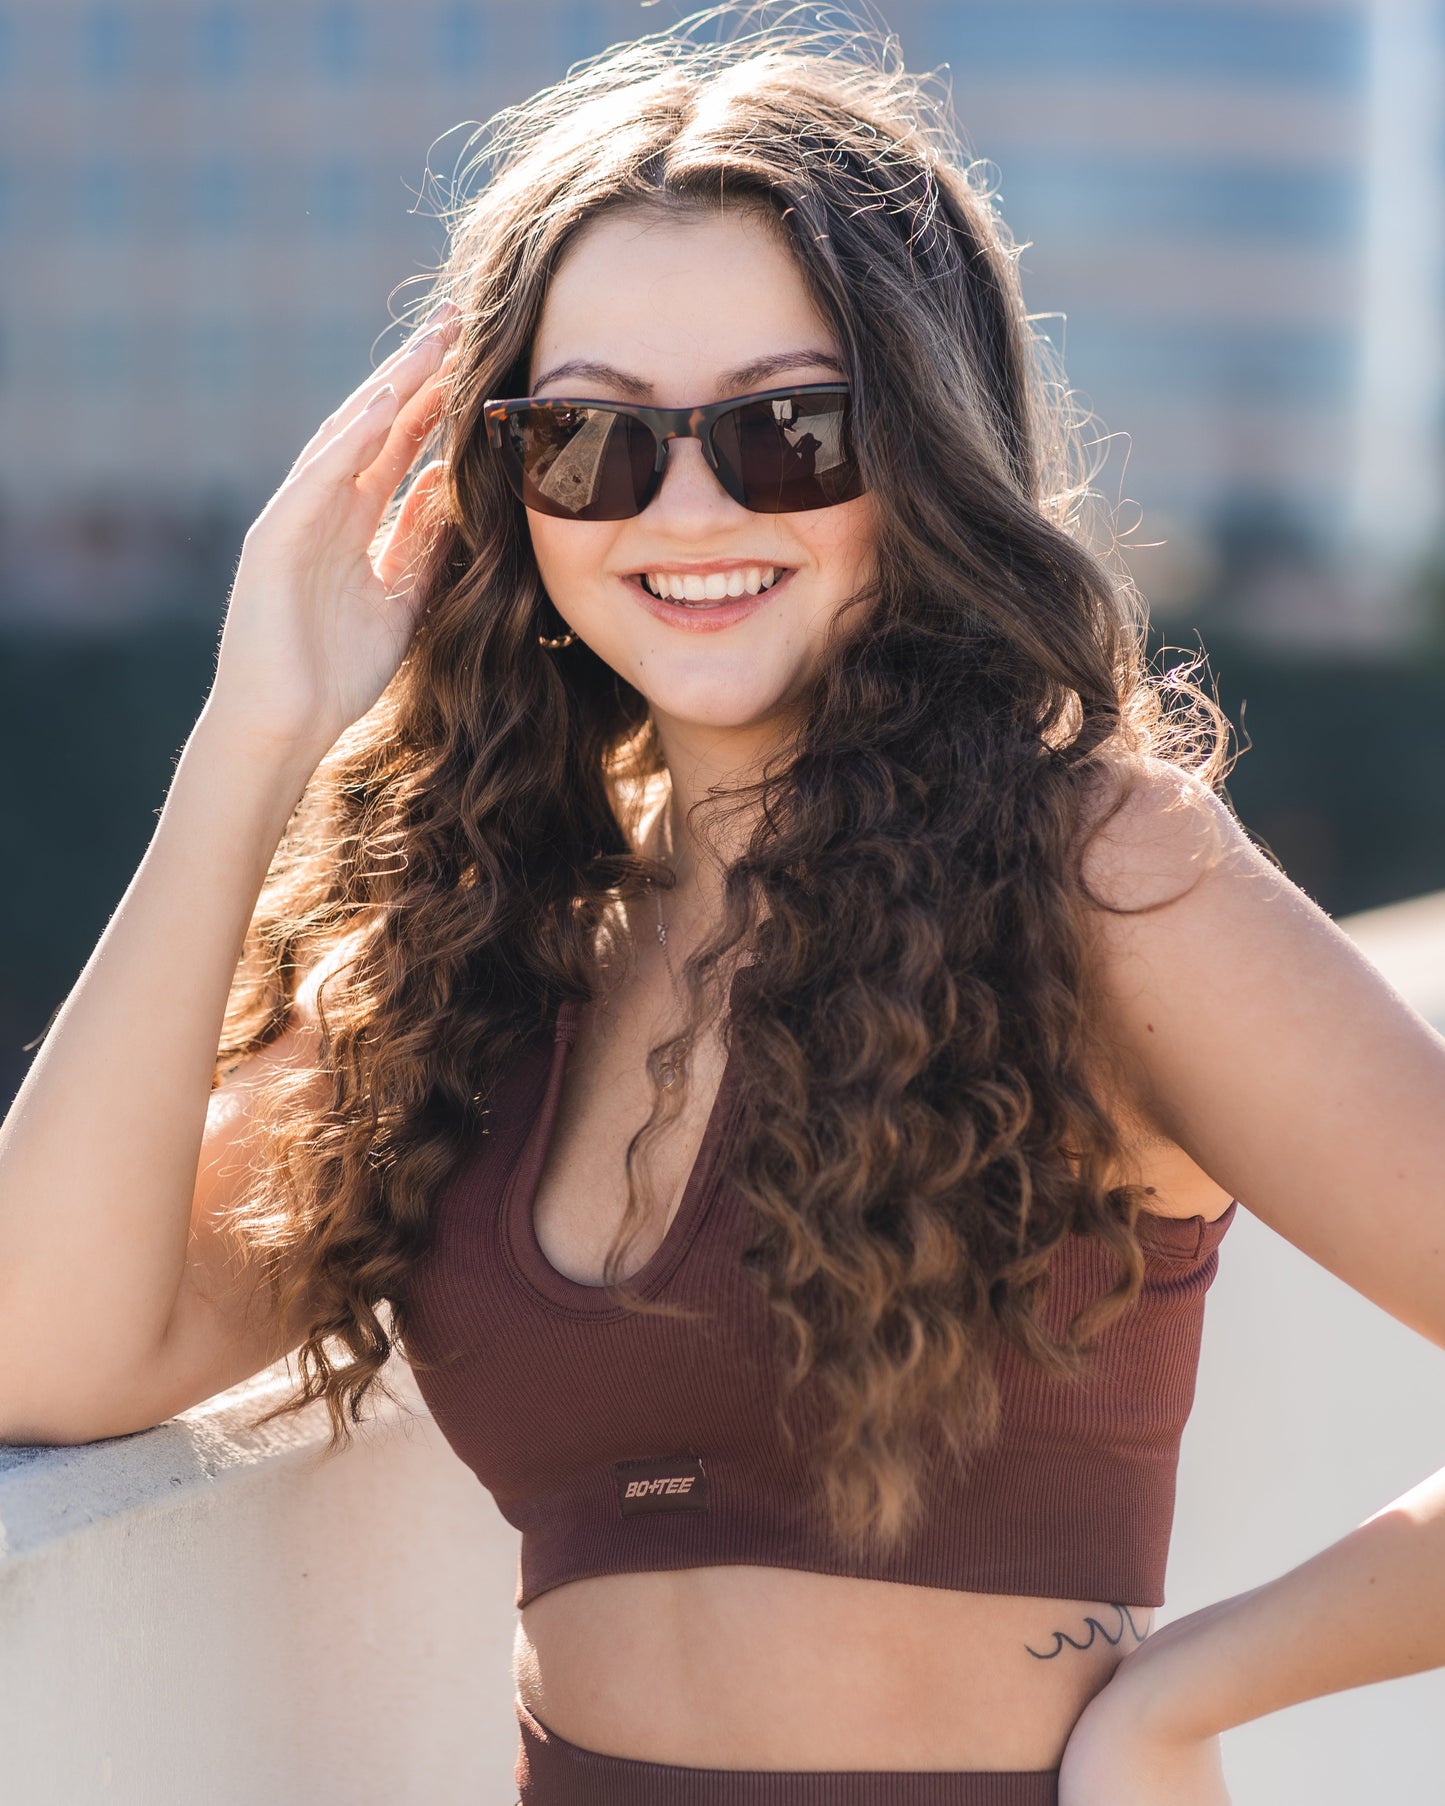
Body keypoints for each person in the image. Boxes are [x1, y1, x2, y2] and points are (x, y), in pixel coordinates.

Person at [2, 9, 1443, 1804]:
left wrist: (1182, 1695)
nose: (683, 507)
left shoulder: (1095, 872)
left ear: (918, 450)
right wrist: (256, 728)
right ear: (500, 484)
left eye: (784, 429)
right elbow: (43, 1348)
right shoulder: (483, 939)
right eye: (591, 442)